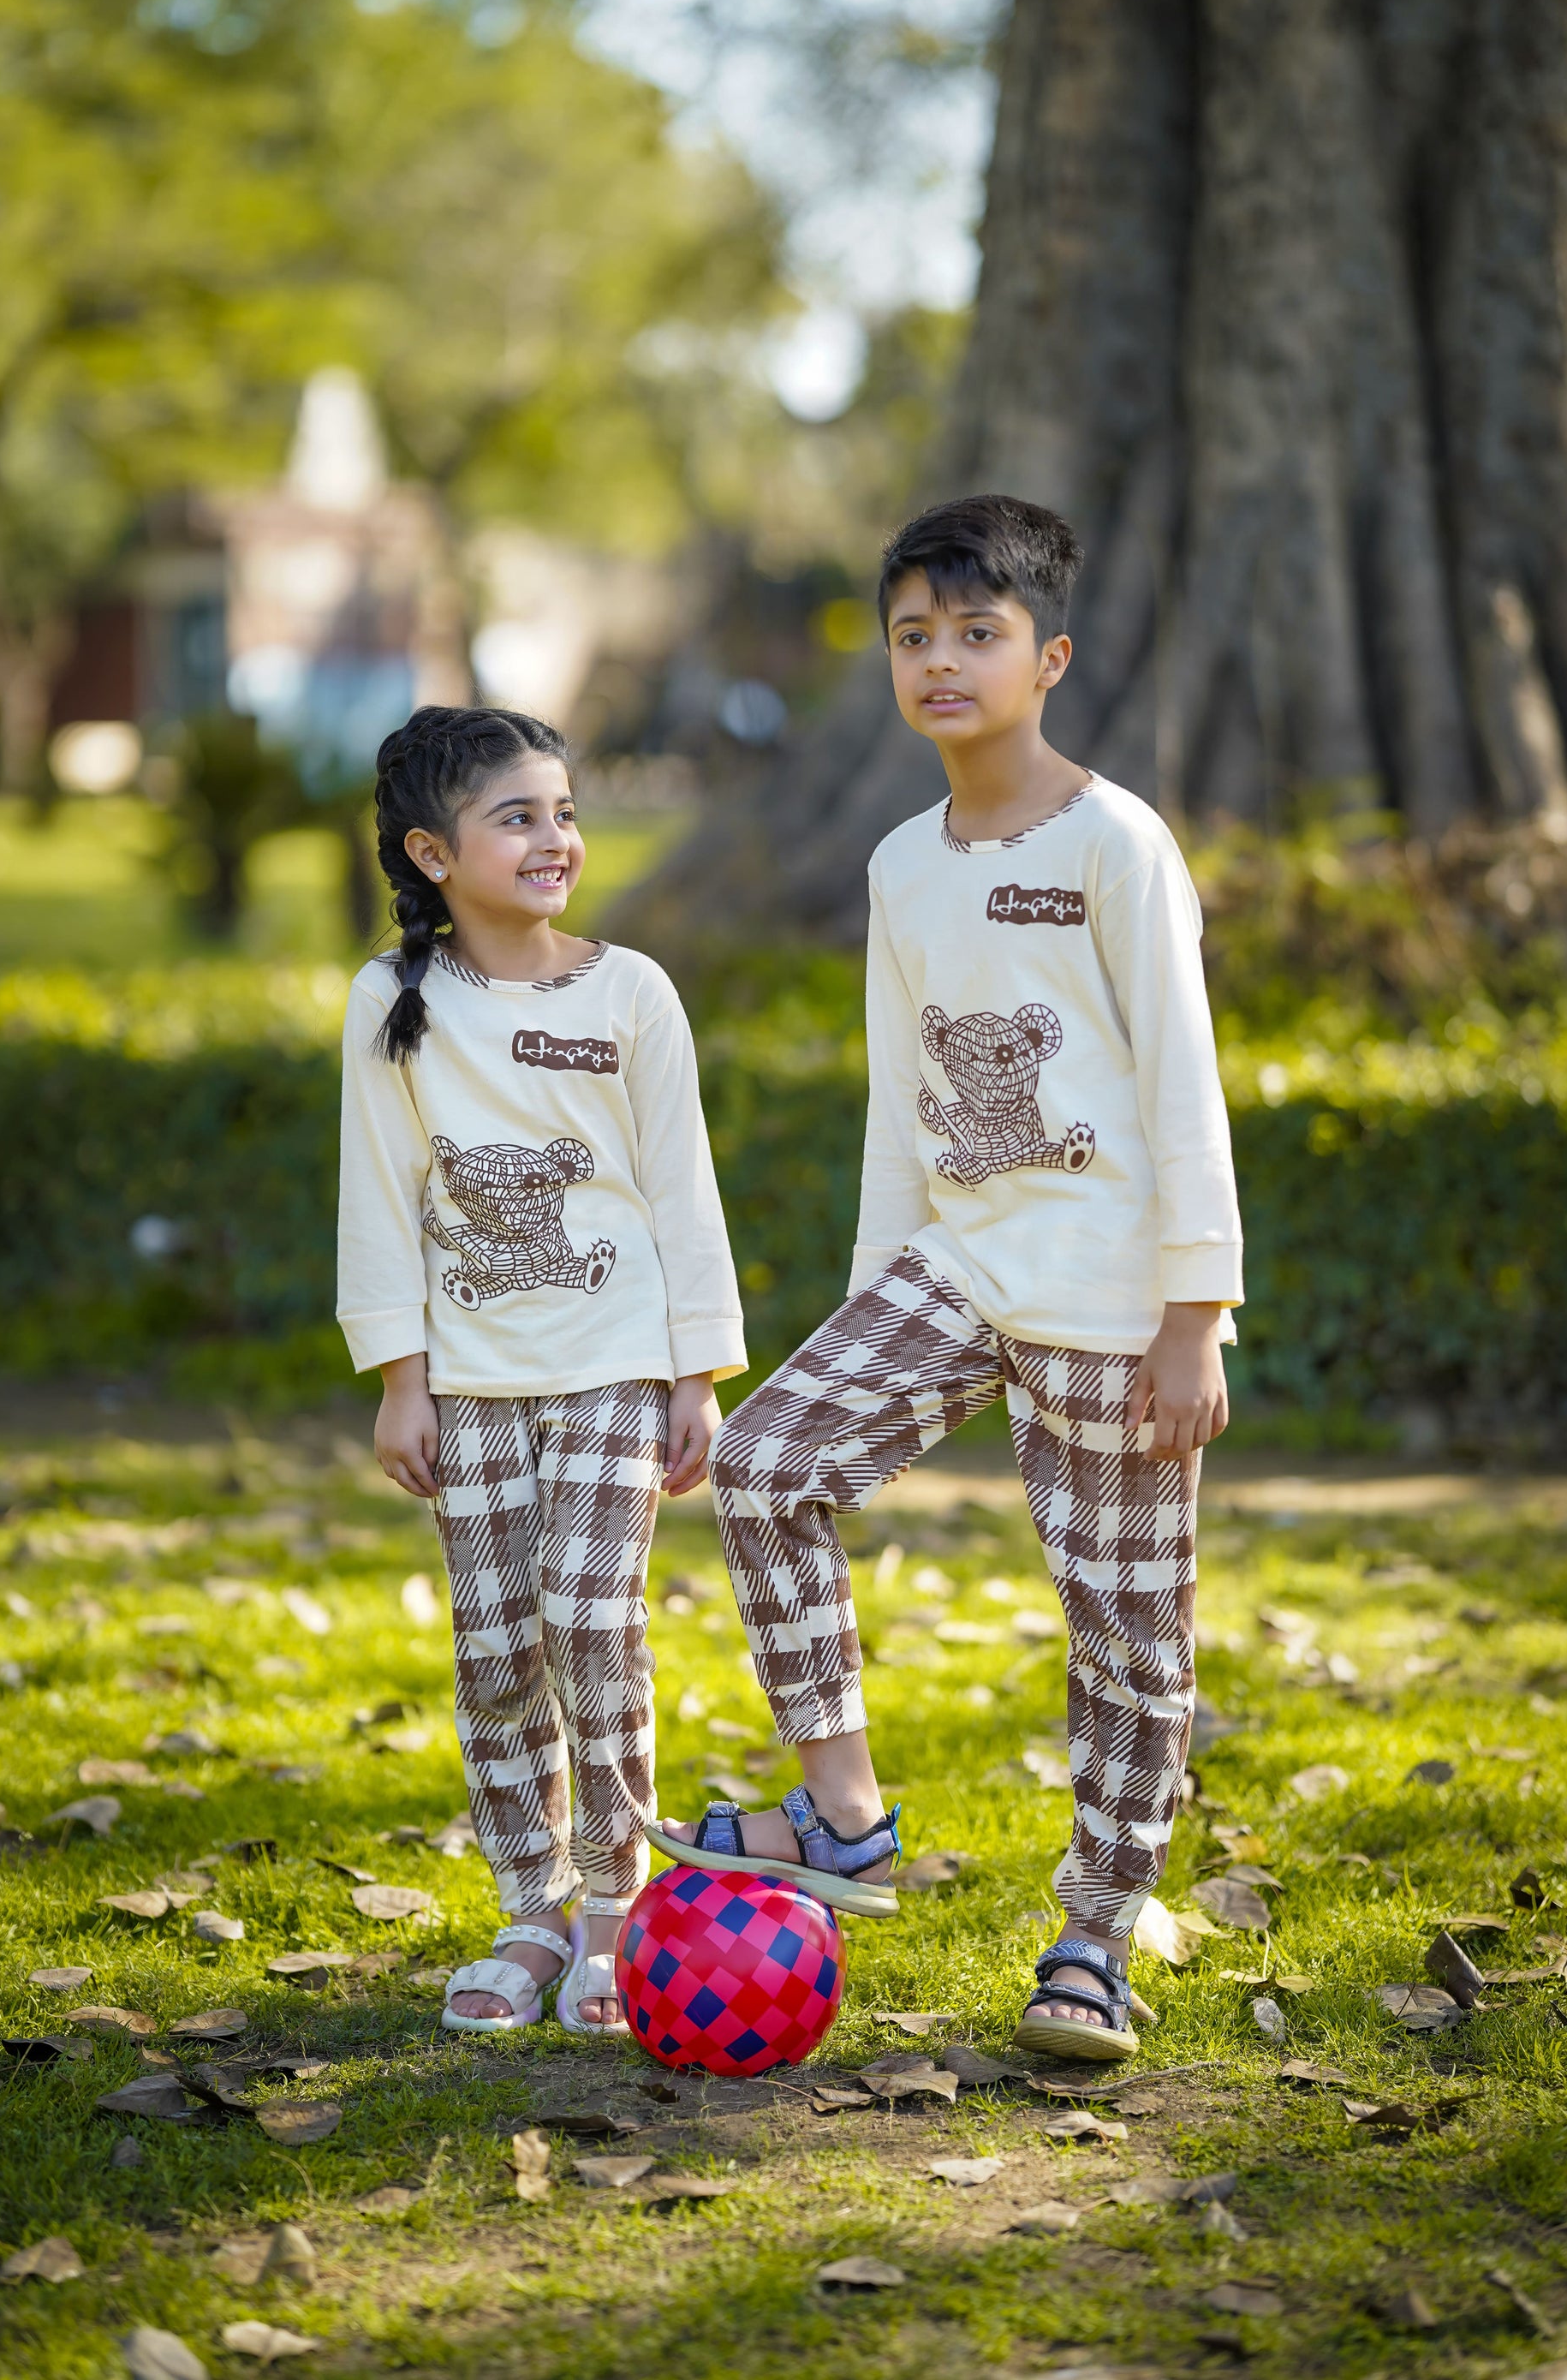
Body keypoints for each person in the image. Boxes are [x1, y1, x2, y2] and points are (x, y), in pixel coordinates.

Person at [652, 495, 1242, 2061]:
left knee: (1127, 1637)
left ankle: (1093, 1942)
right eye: (913, 634)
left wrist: (1195, 1315)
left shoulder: (1116, 843)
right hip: (957, 1267)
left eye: (977, 632)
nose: (941, 660)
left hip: (1114, 1296)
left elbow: (1182, 1085)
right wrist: (871, 1293)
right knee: (765, 1464)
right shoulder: (900, 864)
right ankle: (844, 1817)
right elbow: (896, 1106)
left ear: (1048, 658)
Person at [338, 705, 745, 2036]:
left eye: (563, 811)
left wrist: (698, 1374)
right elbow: (377, 1199)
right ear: (432, 852)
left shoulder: (633, 992)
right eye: (516, 817)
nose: (555, 837)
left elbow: (681, 1189)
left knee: (588, 1617)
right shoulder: (390, 1001)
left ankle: (616, 1907)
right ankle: (533, 1907)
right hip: (465, 1381)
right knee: (496, 1642)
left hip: (616, 1361)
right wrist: (400, 1380)